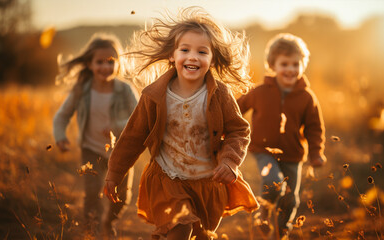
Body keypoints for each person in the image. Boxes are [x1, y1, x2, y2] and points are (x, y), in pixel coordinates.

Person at [104, 7, 259, 240]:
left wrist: (230, 162)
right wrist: (114, 173)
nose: (193, 56)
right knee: (180, 229)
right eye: (184, 49)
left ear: (212, 58)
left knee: (202, 235)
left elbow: (239, 130)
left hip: (207, 182)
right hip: (167, 179)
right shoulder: (154, 96)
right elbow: (133, 137)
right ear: (172, 55)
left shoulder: (220, 94)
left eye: (202, 51)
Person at [237, 33, 327, 239]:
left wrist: (316, 153)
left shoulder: (307, 97)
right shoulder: (259, 92)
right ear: (273, 65)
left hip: (293, 155)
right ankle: (264, 212)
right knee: (273, 180)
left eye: (295, 64)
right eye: (284, 63)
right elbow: (236, 109)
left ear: (302, 65)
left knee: (290, 199)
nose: (290, 69)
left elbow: (314, 128)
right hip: (263, 150)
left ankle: (279, 233)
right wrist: (223, 131)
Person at [53, 33, 138, 238]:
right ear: (89, 64)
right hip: (90, 150)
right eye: (99, 62)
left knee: (122, 197)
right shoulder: (82, 89)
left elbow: (139, 120)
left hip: (121, 152)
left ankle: (109, 221)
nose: (105, 67)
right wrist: (60, 136)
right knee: (92, 193)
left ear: (118, 64)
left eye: (111, 62)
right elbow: (62, 116)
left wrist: (116, 126)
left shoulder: (125, 90)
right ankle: (91, 229)